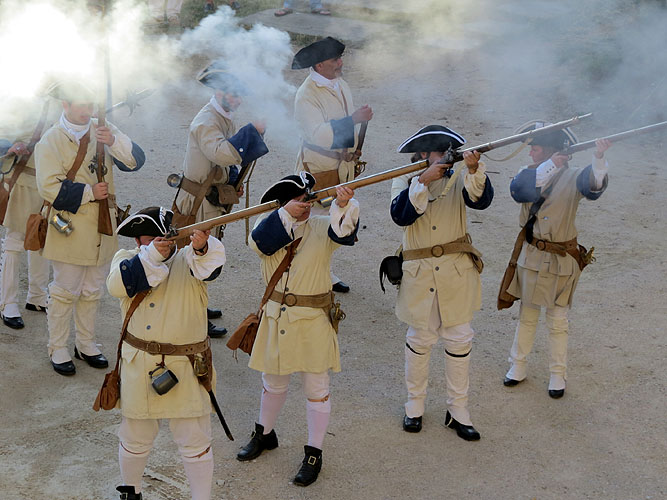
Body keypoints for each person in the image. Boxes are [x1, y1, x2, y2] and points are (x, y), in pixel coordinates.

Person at [236, 172, 359, 487]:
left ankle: (314, 452)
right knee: (273, 383)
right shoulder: (267, 228)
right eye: (298, 200)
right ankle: (264, 433)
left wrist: (343, 204)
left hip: (313, 320)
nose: (306, 205)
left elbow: (344, 231)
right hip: (277, 317)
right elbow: (260, 243)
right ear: (281, 204)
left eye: (307, 199)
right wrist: (286, 213)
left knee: (316, 389)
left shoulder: (323, 226)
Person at [108, 207, 226, 500]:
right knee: (134, 438)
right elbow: (118, 284)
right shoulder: (127, 259)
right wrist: (151, 256)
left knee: (195, 441)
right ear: (138, 242)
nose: (160, 244)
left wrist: (202, 246)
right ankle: (131, 493)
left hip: (187, 366)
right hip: (140, 364)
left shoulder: (191, 258)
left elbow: (210, 265)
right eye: (150, 240)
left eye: (163, 238)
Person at [390, 125, 493, 440]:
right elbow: (401, 215)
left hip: (455, 271)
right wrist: (422, 181)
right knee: (420, 340)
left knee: (459, 339)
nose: (450, 158)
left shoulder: (460, 174)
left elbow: (481, 200)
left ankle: (458, 411)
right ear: (424, 155)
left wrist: (473, 169)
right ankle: (414, 406)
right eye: (443, 153)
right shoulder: (404, 179)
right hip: (420, 273)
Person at [35, 81, 145, 376]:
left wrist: (113, 141)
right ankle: (57, 347)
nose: (87, 110)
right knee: (64, 290)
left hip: (102, 224)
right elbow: (48, 187)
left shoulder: (103, 128)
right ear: (65, 105)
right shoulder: (51, 140)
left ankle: (85, 344)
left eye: (90, 104)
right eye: (80, 105)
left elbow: (135, 161)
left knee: (92, 289)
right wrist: (88, 192)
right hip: (69, 225)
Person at [501, 121, 610, 399]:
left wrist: (599, 156)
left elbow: (594, 186)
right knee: (527, 315)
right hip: (532, 256)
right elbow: (522, 191)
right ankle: (518, 366)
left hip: (562, 260)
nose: (530, 152)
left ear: (549, 150)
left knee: (557, 320)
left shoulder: (574, 175)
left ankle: (557, 374)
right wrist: (551, 163)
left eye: (535, 148)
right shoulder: (528, 173)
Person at [174, 62, 269, 338]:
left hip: (210, 198)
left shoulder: (224, 117)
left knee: (204, 255)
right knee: (195, 257)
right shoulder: (206, 121)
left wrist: (231, 183)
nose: (238, 100)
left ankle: (199, 306)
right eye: (234, 94)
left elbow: (226, 164)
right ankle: (193, 316)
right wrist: (252, 131)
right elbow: (222, 153)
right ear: (219, 91)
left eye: (240, 95)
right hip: (197, 202)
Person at [292, 36, 373, 293]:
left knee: (335, 217)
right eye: (335, 59)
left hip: (340, 167)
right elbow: (319, 135)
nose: (340, 63)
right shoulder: (306, 95)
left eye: (340, 58)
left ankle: (324, 270)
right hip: (320, 168)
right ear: (319, 65)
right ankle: (308, 272)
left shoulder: (340, 84)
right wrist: (353, 120)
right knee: (314, 222)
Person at [0, 107, 51, 329]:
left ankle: (37, 296)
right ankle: (7, 303)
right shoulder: (26, 99)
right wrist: (9, 146)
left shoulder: (65, 105)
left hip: (50, 185)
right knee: (15, 241)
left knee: (42, 239)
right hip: (22, 181)